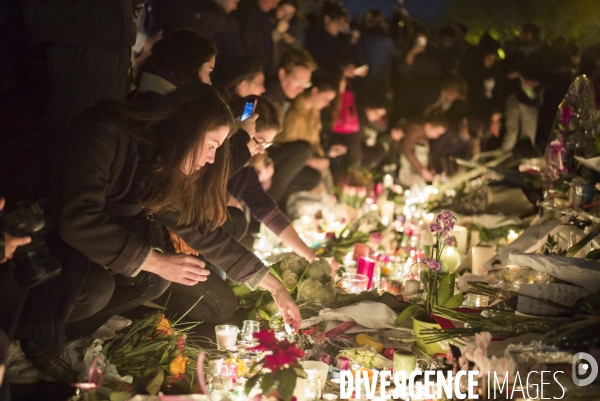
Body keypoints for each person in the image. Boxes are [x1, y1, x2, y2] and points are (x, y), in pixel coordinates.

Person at [48, 84, 301, 349]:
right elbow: (77, 219)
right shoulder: (106, 134)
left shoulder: (157, 160)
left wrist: (276, 288)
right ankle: (36, 338)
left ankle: (72, 331)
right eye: (212, 145)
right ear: (189, 129)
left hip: (84, 252)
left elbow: (200, 231)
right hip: (40, 246)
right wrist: (155, 260)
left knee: (154, 279)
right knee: (101, 287)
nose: (212, 159)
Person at [153, 96, 317, 322]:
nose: (260, 150)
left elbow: (266, 210)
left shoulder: (243, 169)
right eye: (257, 140)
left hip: (195, 241)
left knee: (236, 221)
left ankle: (205, 275)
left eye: (266, 145)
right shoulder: (199, 167)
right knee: (222, 306)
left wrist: (306, 259)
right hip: (163, 247)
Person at [132, 29, 217, 100]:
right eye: (208, 72)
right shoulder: (162, 106)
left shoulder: (148, 88)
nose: (209, 83)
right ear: (190, 65)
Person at [398, 113, 448, 188]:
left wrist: (429, 168)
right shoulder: (414, 130)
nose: (437, 136)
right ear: (429, 126)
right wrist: (423, 171)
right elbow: (408, 151)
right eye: (437, 132)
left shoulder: (425, 136)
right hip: (403, 168)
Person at [264, 48, 317, 116]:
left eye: (305, 84)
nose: (301, 89)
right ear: (282, 73)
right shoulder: (269, 100)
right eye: (297, 82)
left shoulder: (284, 97)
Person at [233, 0, 281, 73]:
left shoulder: (264, 16)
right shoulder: (250, 14)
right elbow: (247, 44)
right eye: (273, 1)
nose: (275, 6)